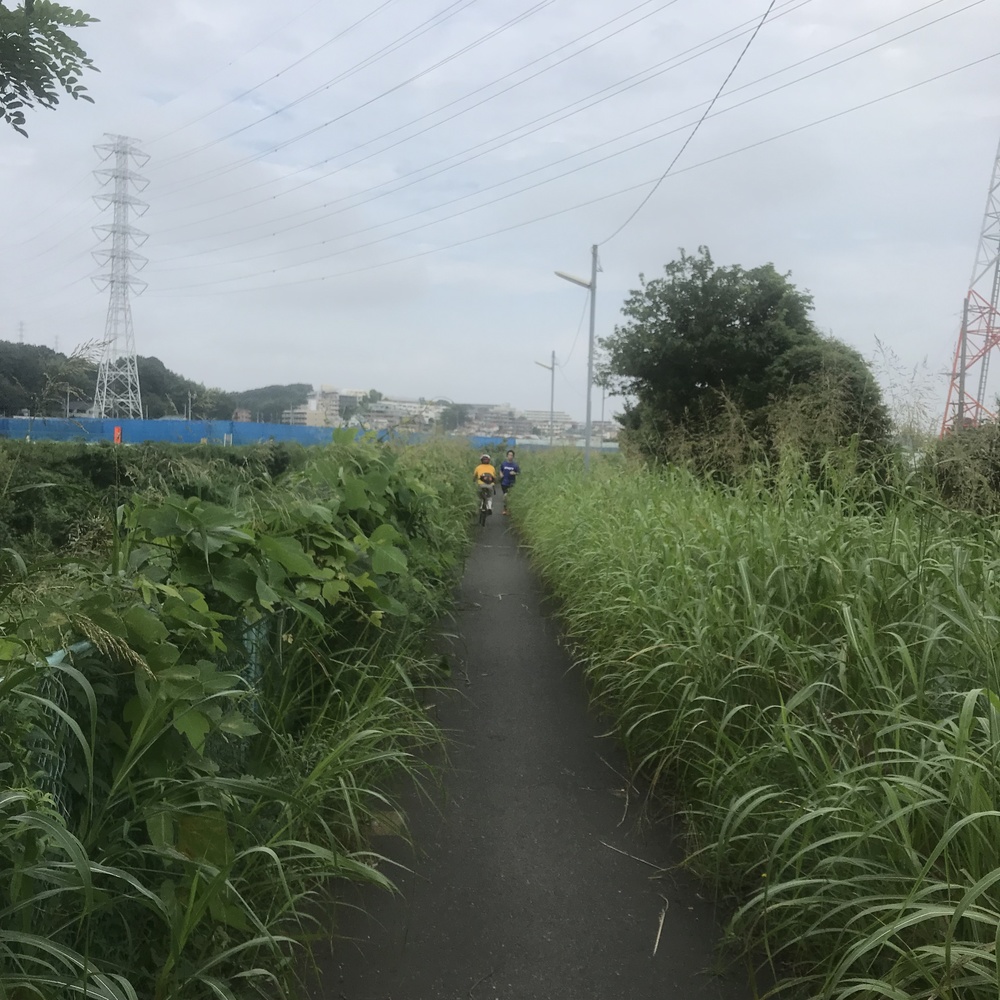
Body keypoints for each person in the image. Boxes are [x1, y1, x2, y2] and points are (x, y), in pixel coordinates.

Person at [499, 449, 520, 515]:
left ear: (513, 457)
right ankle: (505, 509)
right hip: (504, 482)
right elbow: (500, 470)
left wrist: (514, 473)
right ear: (507, 456)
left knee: (509, 497)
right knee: (505, 496)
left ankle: (509, 509)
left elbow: (519, 473)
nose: (510, 456)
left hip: (512, 483)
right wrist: (501, 474)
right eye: (509, 455)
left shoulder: (515, 465)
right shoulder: (504, 464)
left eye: (511, 455)